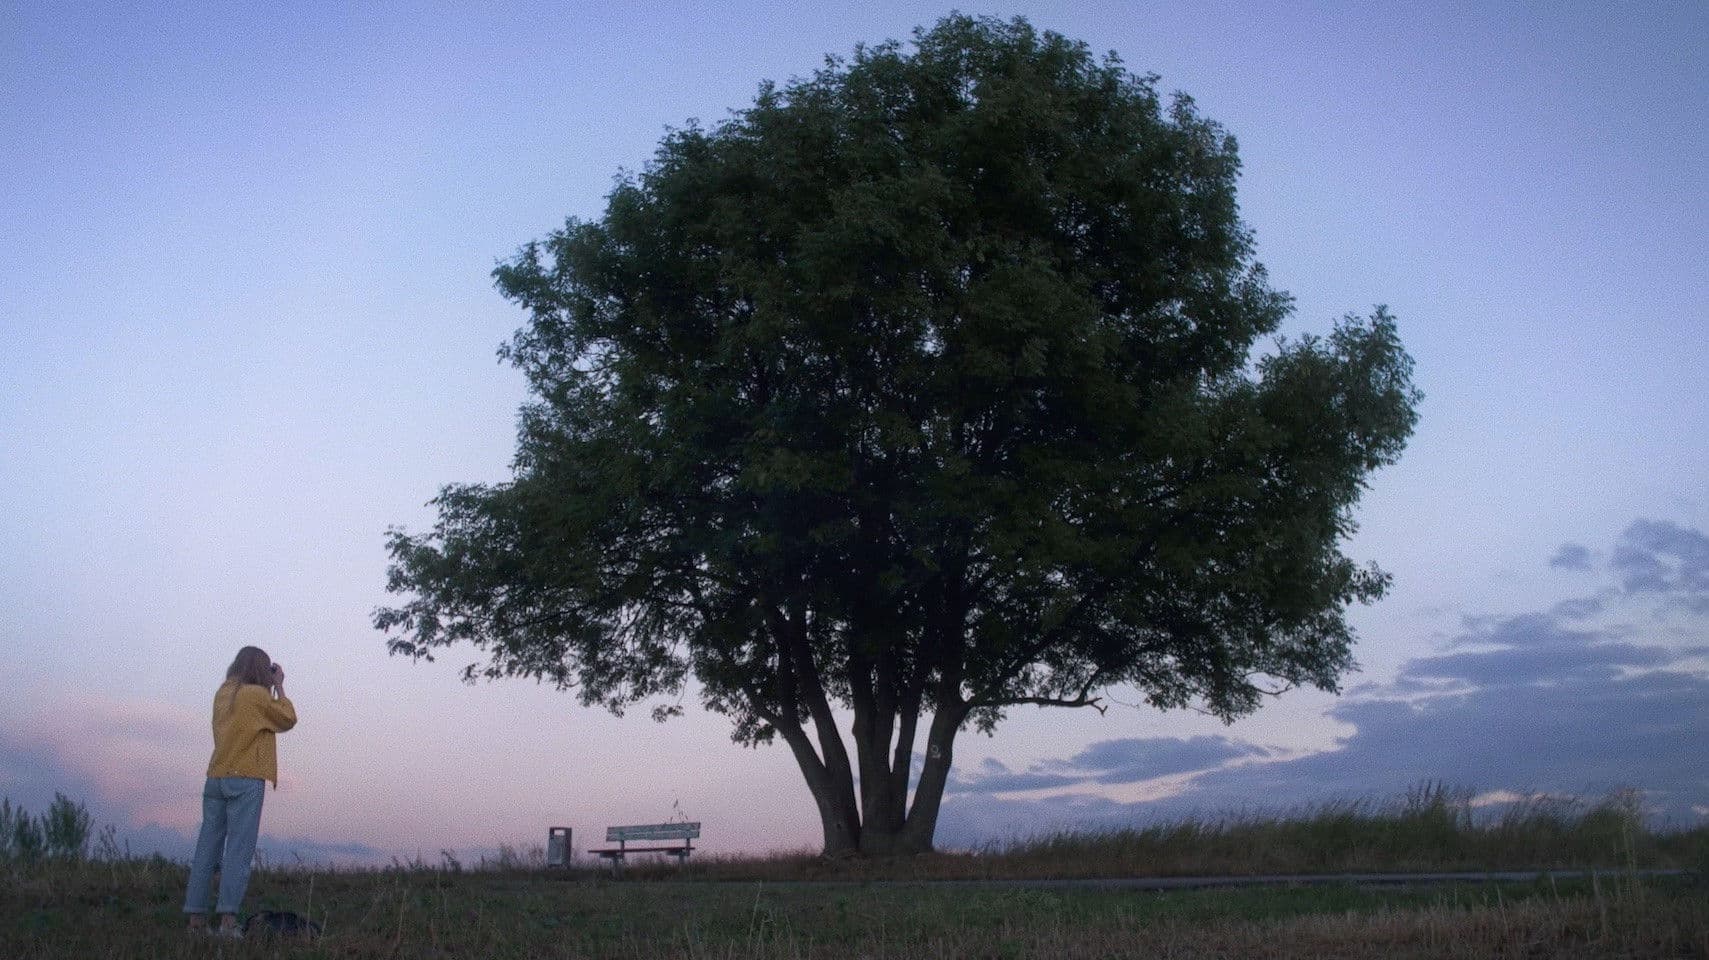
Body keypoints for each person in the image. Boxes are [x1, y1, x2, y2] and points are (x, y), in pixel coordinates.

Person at [182, 646, 297, 937]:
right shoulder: (257, 696)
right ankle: (228, 923)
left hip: (216, 776)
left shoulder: (223, 694)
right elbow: (287, 718)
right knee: (238, 852)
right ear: (261, 668)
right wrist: (279, 686)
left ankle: (196, 921)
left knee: (206, 850)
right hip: (246, 779)